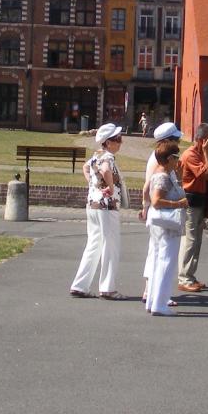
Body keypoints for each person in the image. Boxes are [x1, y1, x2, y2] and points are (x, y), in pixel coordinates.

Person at [70, 123, 126, 300]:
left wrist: (93, 184)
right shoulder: (108, 157)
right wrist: (109, 187)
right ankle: (107, 287)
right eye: (117, 139)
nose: (120, 142)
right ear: (108, 142)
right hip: (107, 207)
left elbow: (86, 168)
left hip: (93, 205)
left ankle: (80, 285)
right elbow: (106, 170)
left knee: (94, 244)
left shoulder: (96, 156)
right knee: (111, 246)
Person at [140, 122, 183, 304]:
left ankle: (152, 292)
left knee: (157, 252)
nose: (178, 144)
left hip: (158, 211)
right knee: (160, 253)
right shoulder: (159, 161)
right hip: (162, 213)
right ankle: (154, 292)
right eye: (175, 140)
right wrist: (145, 206)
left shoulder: (159, 158)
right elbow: (149, 187)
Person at [145, 141, 189, 316]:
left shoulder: (165, 173)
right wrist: (178, 203)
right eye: (176, 157)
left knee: (158, 260)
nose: (178, 160)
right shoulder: (162, 176)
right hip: (167, 225)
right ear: (169, 158)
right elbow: (156, 200)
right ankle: (160, 304)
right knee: (166, 262)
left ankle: (153, 301)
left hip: (160, 225)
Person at [177, 123, 208, 292]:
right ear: (201, 140)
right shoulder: (191, 155)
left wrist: (206, 153)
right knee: (191, 241)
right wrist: (207, 152)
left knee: (197, 241)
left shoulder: (200, 154)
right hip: (191, 202)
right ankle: (184, 278)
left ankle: (190, 276)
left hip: (200, 201)